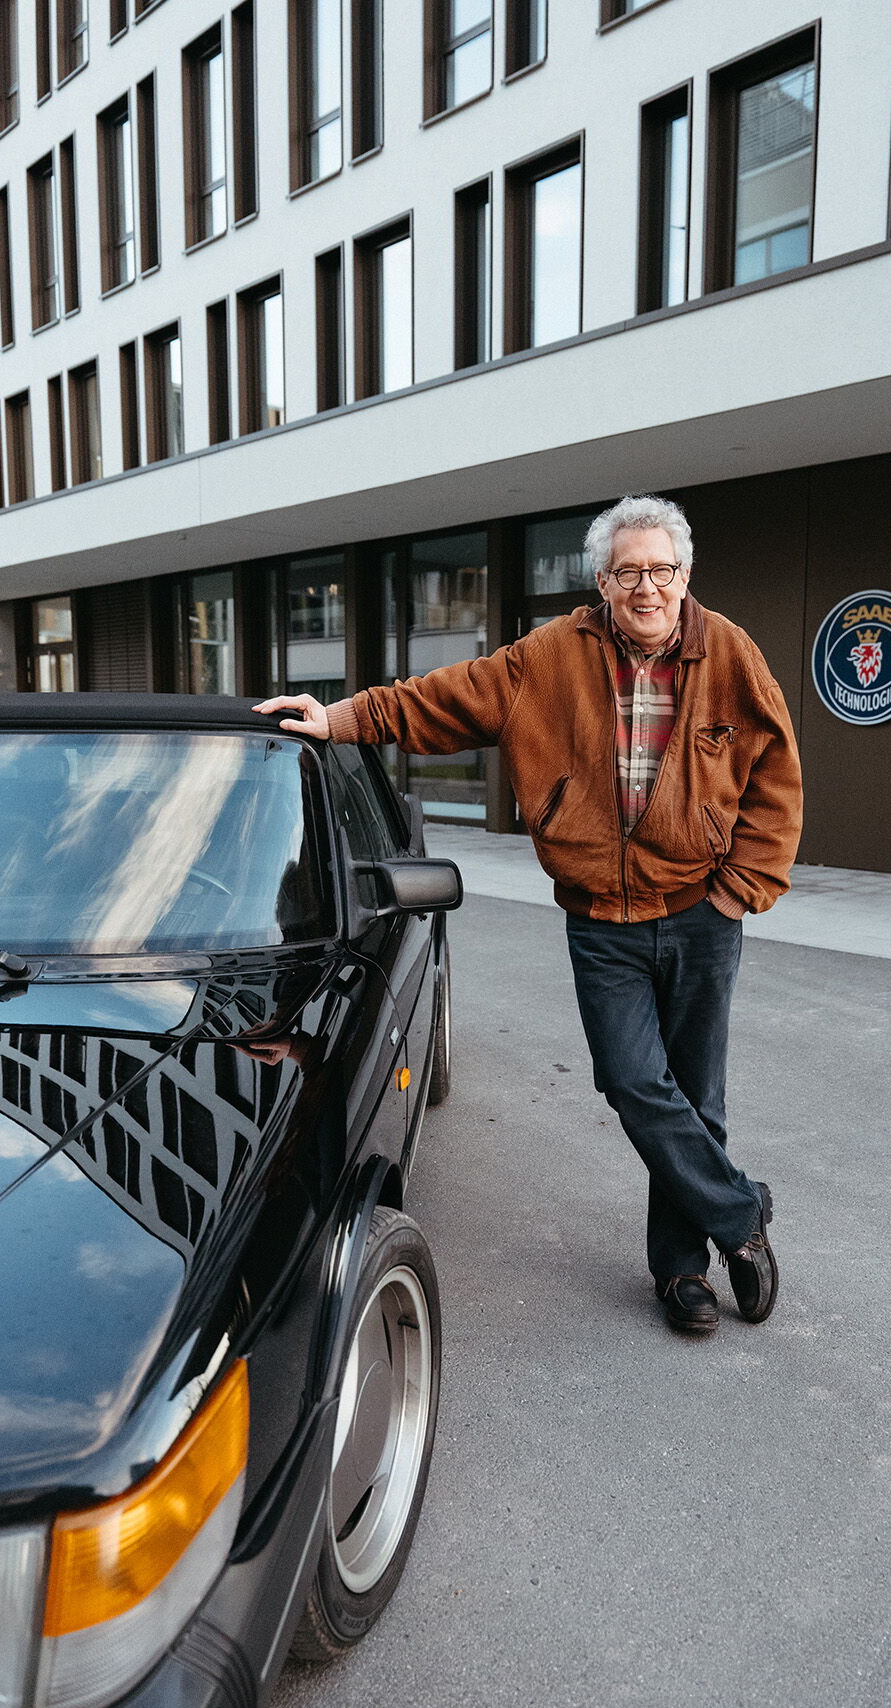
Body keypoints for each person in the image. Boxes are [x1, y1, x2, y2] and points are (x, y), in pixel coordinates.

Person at [256, 494, 803, 1336]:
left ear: (684, 576)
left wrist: (742, 886)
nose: (645, 588)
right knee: (631, 1081)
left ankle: (682, 1272)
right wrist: (338, 718)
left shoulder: (729, 652)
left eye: (661, 570)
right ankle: (740, 1217)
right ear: (602, 579)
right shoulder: (551, 655)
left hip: (701, 911)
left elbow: (775, 776)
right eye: (628, 572)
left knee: (696, 1095)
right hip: (599, 918)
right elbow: (441, 699)